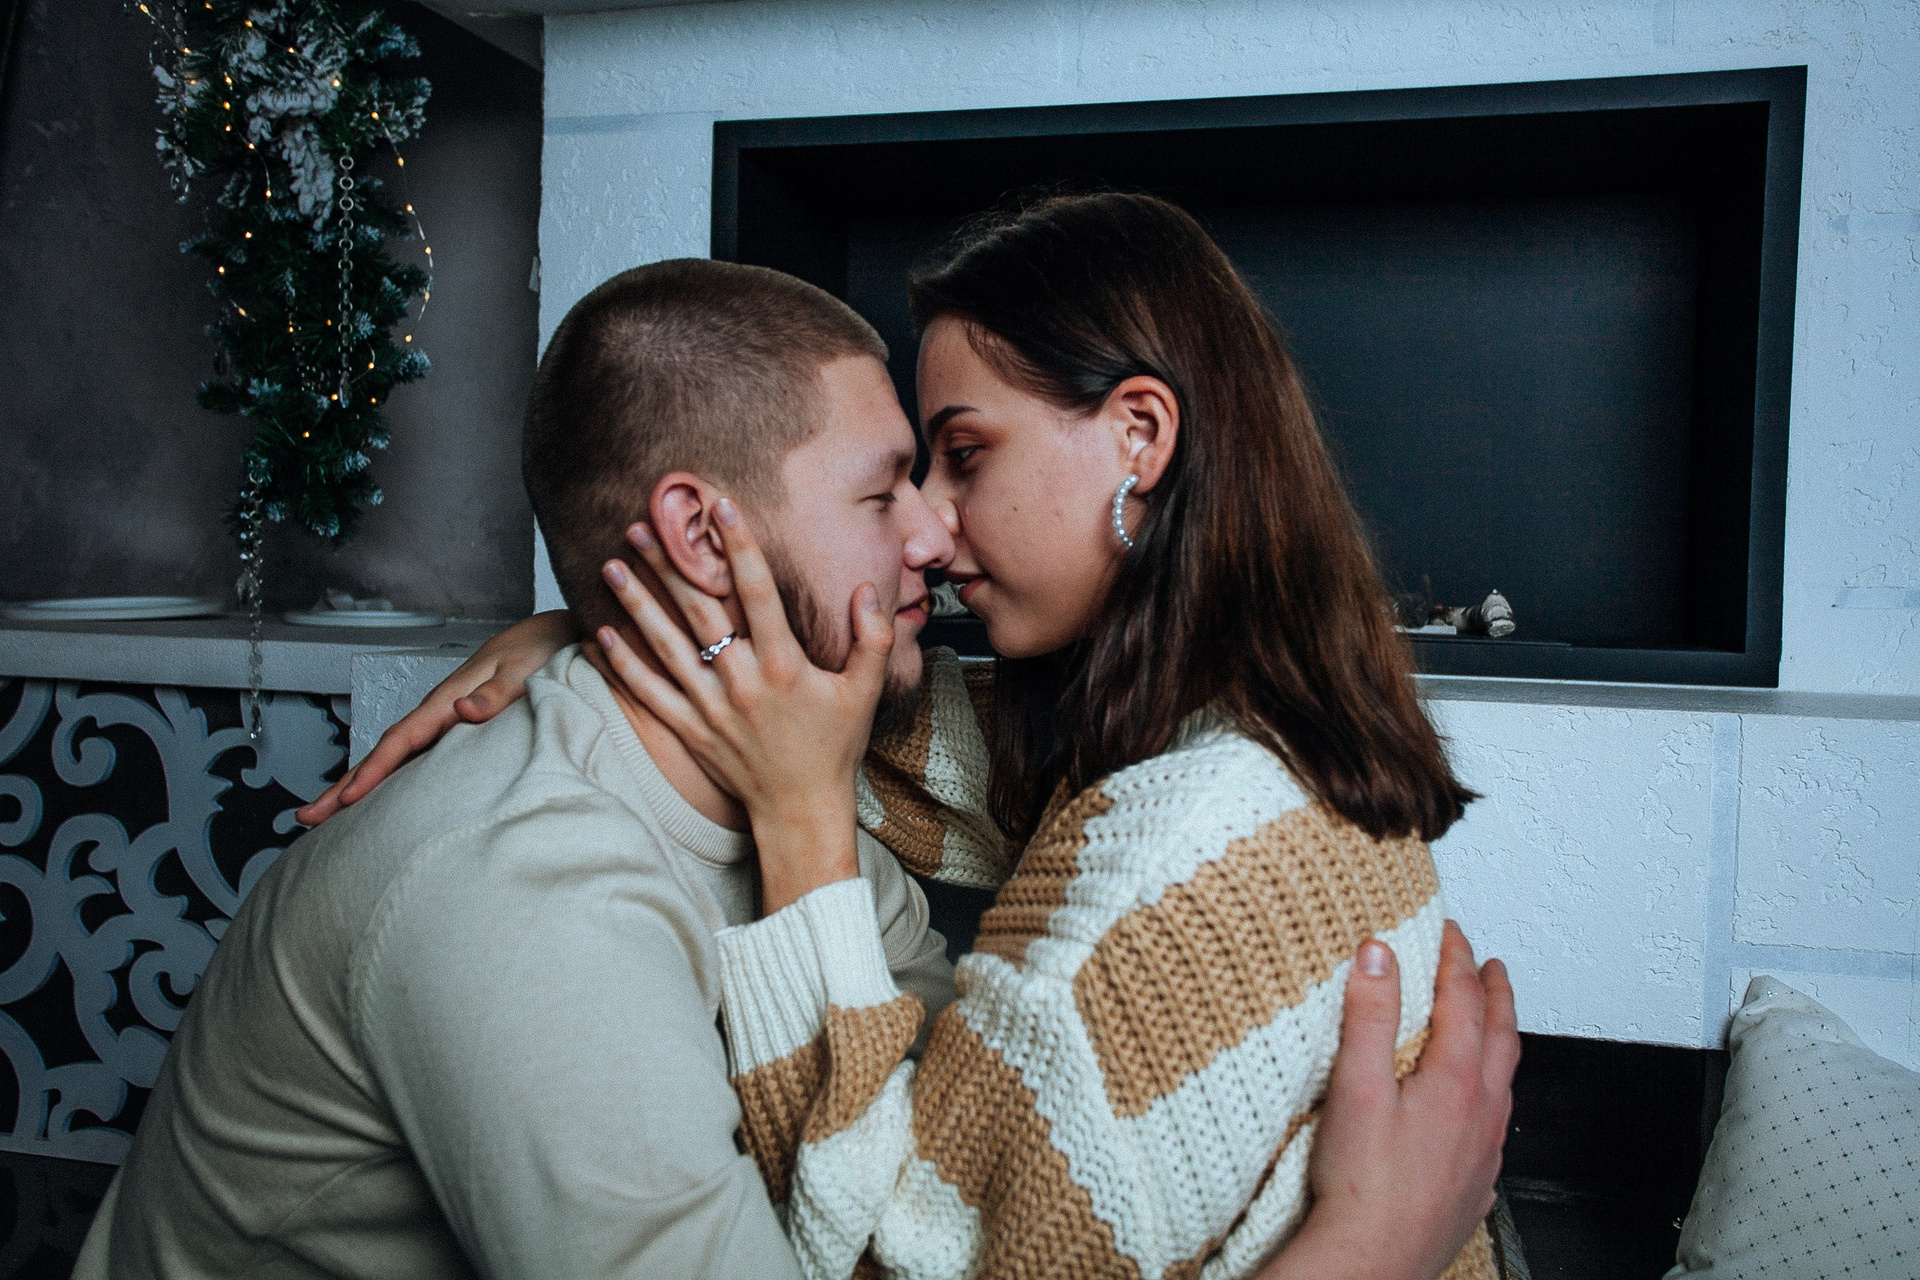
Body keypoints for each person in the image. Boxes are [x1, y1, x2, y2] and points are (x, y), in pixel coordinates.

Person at [75, 255, 1515, 1280]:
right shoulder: (521, 902)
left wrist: (579, 623)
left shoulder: (803, 789)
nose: (933, 538)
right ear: (705, 539)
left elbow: (928, 1120)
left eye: (952, 468)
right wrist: (1361, 1253)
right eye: (889, 489)